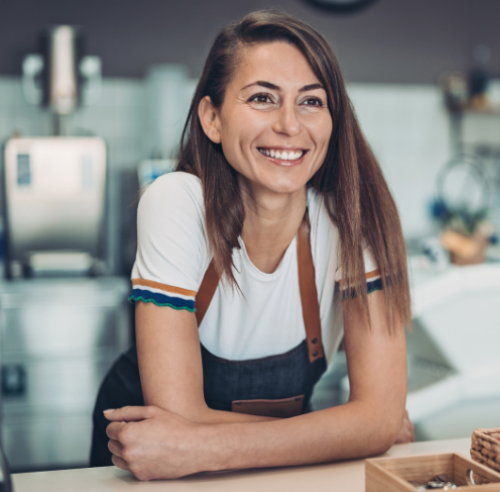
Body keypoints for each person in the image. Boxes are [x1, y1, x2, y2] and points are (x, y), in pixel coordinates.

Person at [90, 9, 413, 480]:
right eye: (262, 98)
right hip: (143, 467)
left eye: (311, 101)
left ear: (332, 120)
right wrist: (347, 432)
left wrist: (197, 443)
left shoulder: (354, 218)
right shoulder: (175, 202)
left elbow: (379, 419)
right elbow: (178, 414)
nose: (289, 124)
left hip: (269, 475)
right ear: (212, 118)